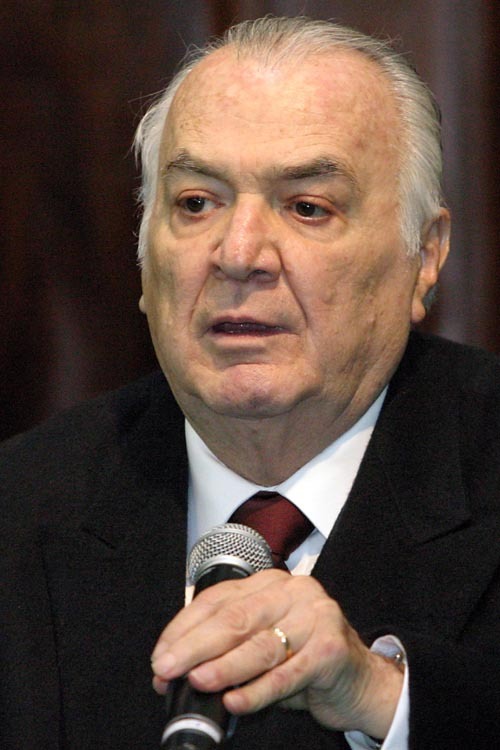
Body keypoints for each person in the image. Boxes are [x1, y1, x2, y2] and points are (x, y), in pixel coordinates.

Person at [1, 15, 499, 750]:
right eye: (196, 203)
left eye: (307, 208)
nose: (238, 254)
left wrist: (383, 698)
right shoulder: (21, 505)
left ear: (423, 257)